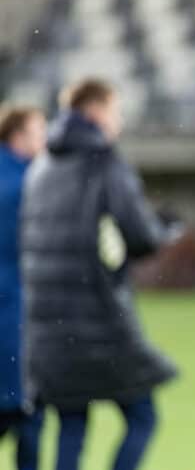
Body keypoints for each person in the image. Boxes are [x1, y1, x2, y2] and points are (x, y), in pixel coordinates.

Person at [20, 78, 179, 470]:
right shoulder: (104, 161)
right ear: (95, 112)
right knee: (142, 415)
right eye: (115, 111)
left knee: (71, 423)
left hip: (45, 323)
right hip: (97, 318)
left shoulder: (42, 165)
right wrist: (164, 228)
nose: (118, 121)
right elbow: (138, 234)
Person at [0, 106, 46, 470]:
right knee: (28, 413)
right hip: (16, 308)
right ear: (18, 136)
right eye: (38, 131)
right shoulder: (24, 184)